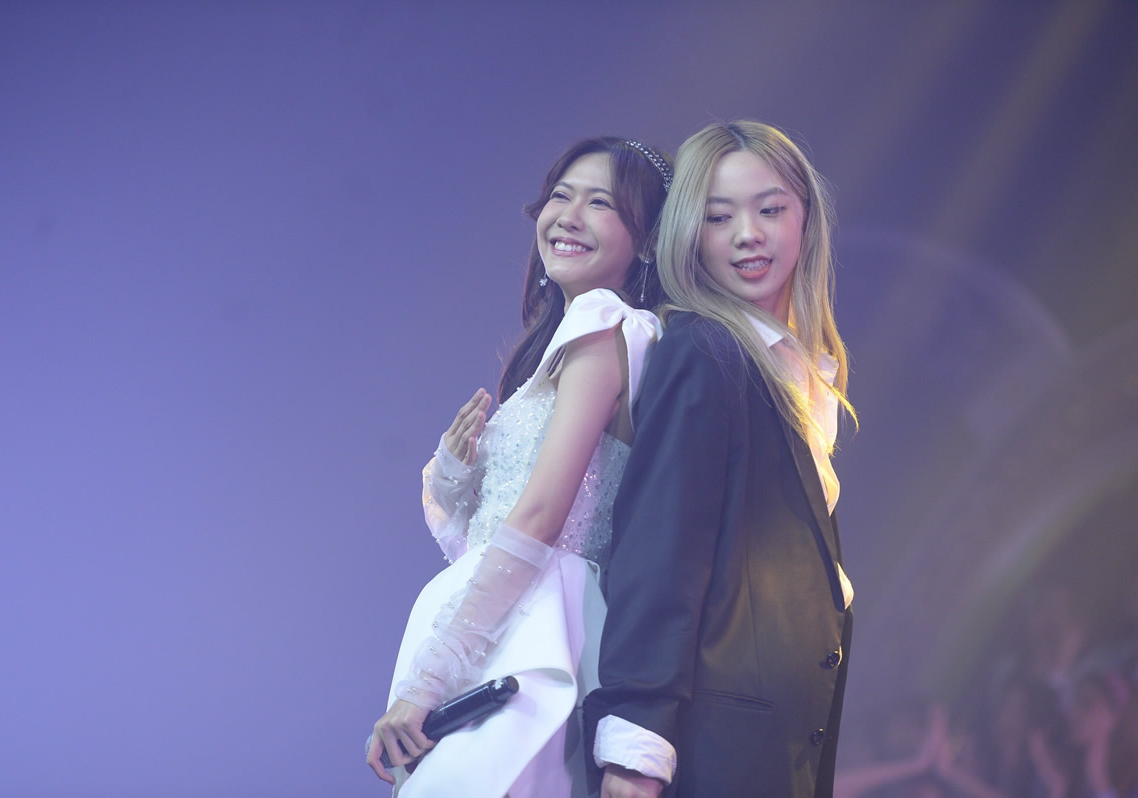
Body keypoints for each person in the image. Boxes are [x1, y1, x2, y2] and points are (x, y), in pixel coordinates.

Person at [366, 136, 673, 797]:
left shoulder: (605, 323)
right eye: (561, 196)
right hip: (507, 629)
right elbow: (486, 538)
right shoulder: (565, 344)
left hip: (534, 639)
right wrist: (458, 475)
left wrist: (429, 681)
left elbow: (540, 519)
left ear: (647, 242)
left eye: (600, 203)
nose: (569, 216)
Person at [584, 120, 857, 797]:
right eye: (718, 216)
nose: (748, 234)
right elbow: (661, 553)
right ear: (688, 232)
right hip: (708, 750)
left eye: (770, 210)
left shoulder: (791, 370)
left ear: (806, 219)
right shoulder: (704, 351)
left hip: (771, 753)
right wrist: (636, 748)